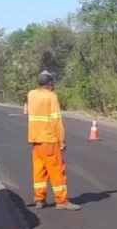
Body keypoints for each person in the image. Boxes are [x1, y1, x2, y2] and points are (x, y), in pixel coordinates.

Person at [26, 71, 80, 211]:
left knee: (39, 170)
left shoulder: (31, 94)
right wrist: (61, 139)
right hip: (49, 139)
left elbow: (29, 112)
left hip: (35, 139)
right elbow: (56, 120)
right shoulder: (51, 96)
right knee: (56, 170)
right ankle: (62, 201)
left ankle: (39, 199)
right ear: (50, 83)